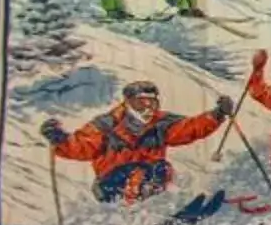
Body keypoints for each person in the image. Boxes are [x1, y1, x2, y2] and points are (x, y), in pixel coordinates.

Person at [42, 79, 231, 204]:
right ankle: (134, 211)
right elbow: (81, 147)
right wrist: (60, 139)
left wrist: (217, 115)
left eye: (153, 103)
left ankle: (156, 209)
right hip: (110, 184)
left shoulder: (161, 124)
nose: (148, 109)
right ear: (128, 103)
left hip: (146, 180)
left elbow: (190, 128)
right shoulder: (106, 125)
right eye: (141, 103)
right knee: (138, 171)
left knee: (161, 168)